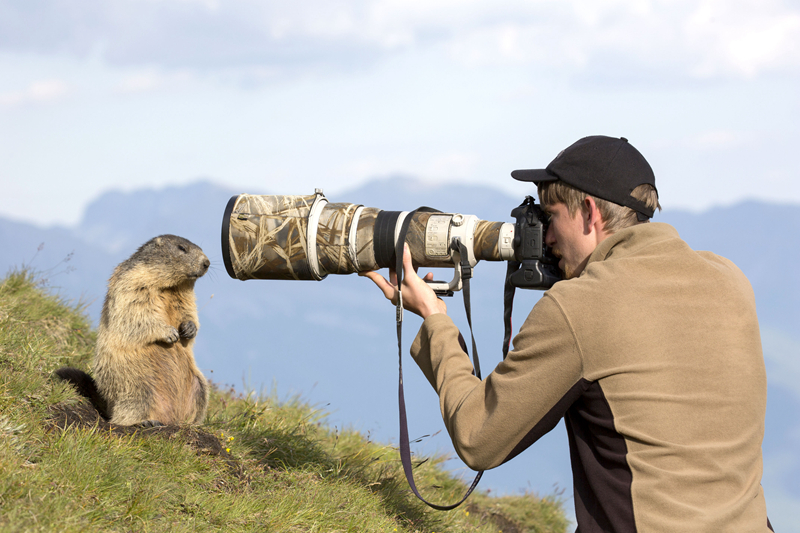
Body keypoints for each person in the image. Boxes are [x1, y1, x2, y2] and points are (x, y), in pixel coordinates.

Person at [362, 136, 772, 532]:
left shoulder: (581, 305)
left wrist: (434, 318)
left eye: (551, 216)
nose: (546, 238)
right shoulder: (729, 278)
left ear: (590, 212)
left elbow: (478, 437)